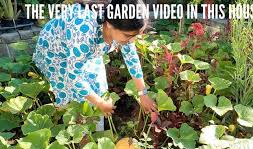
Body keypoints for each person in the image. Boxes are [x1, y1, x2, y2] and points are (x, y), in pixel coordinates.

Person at [32, 0, 158, 131]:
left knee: (99, 89)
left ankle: (97, 133)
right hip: (56, 52)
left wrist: (143, 94)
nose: (132, 41)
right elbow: (74, 77)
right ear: (109, 24)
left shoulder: (123, 26)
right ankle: (79, 135)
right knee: (74, 99)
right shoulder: (83, 32)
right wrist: (99, 103)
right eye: (128, 36)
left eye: (136, 35)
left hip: (82, 49)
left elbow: (131, 58)